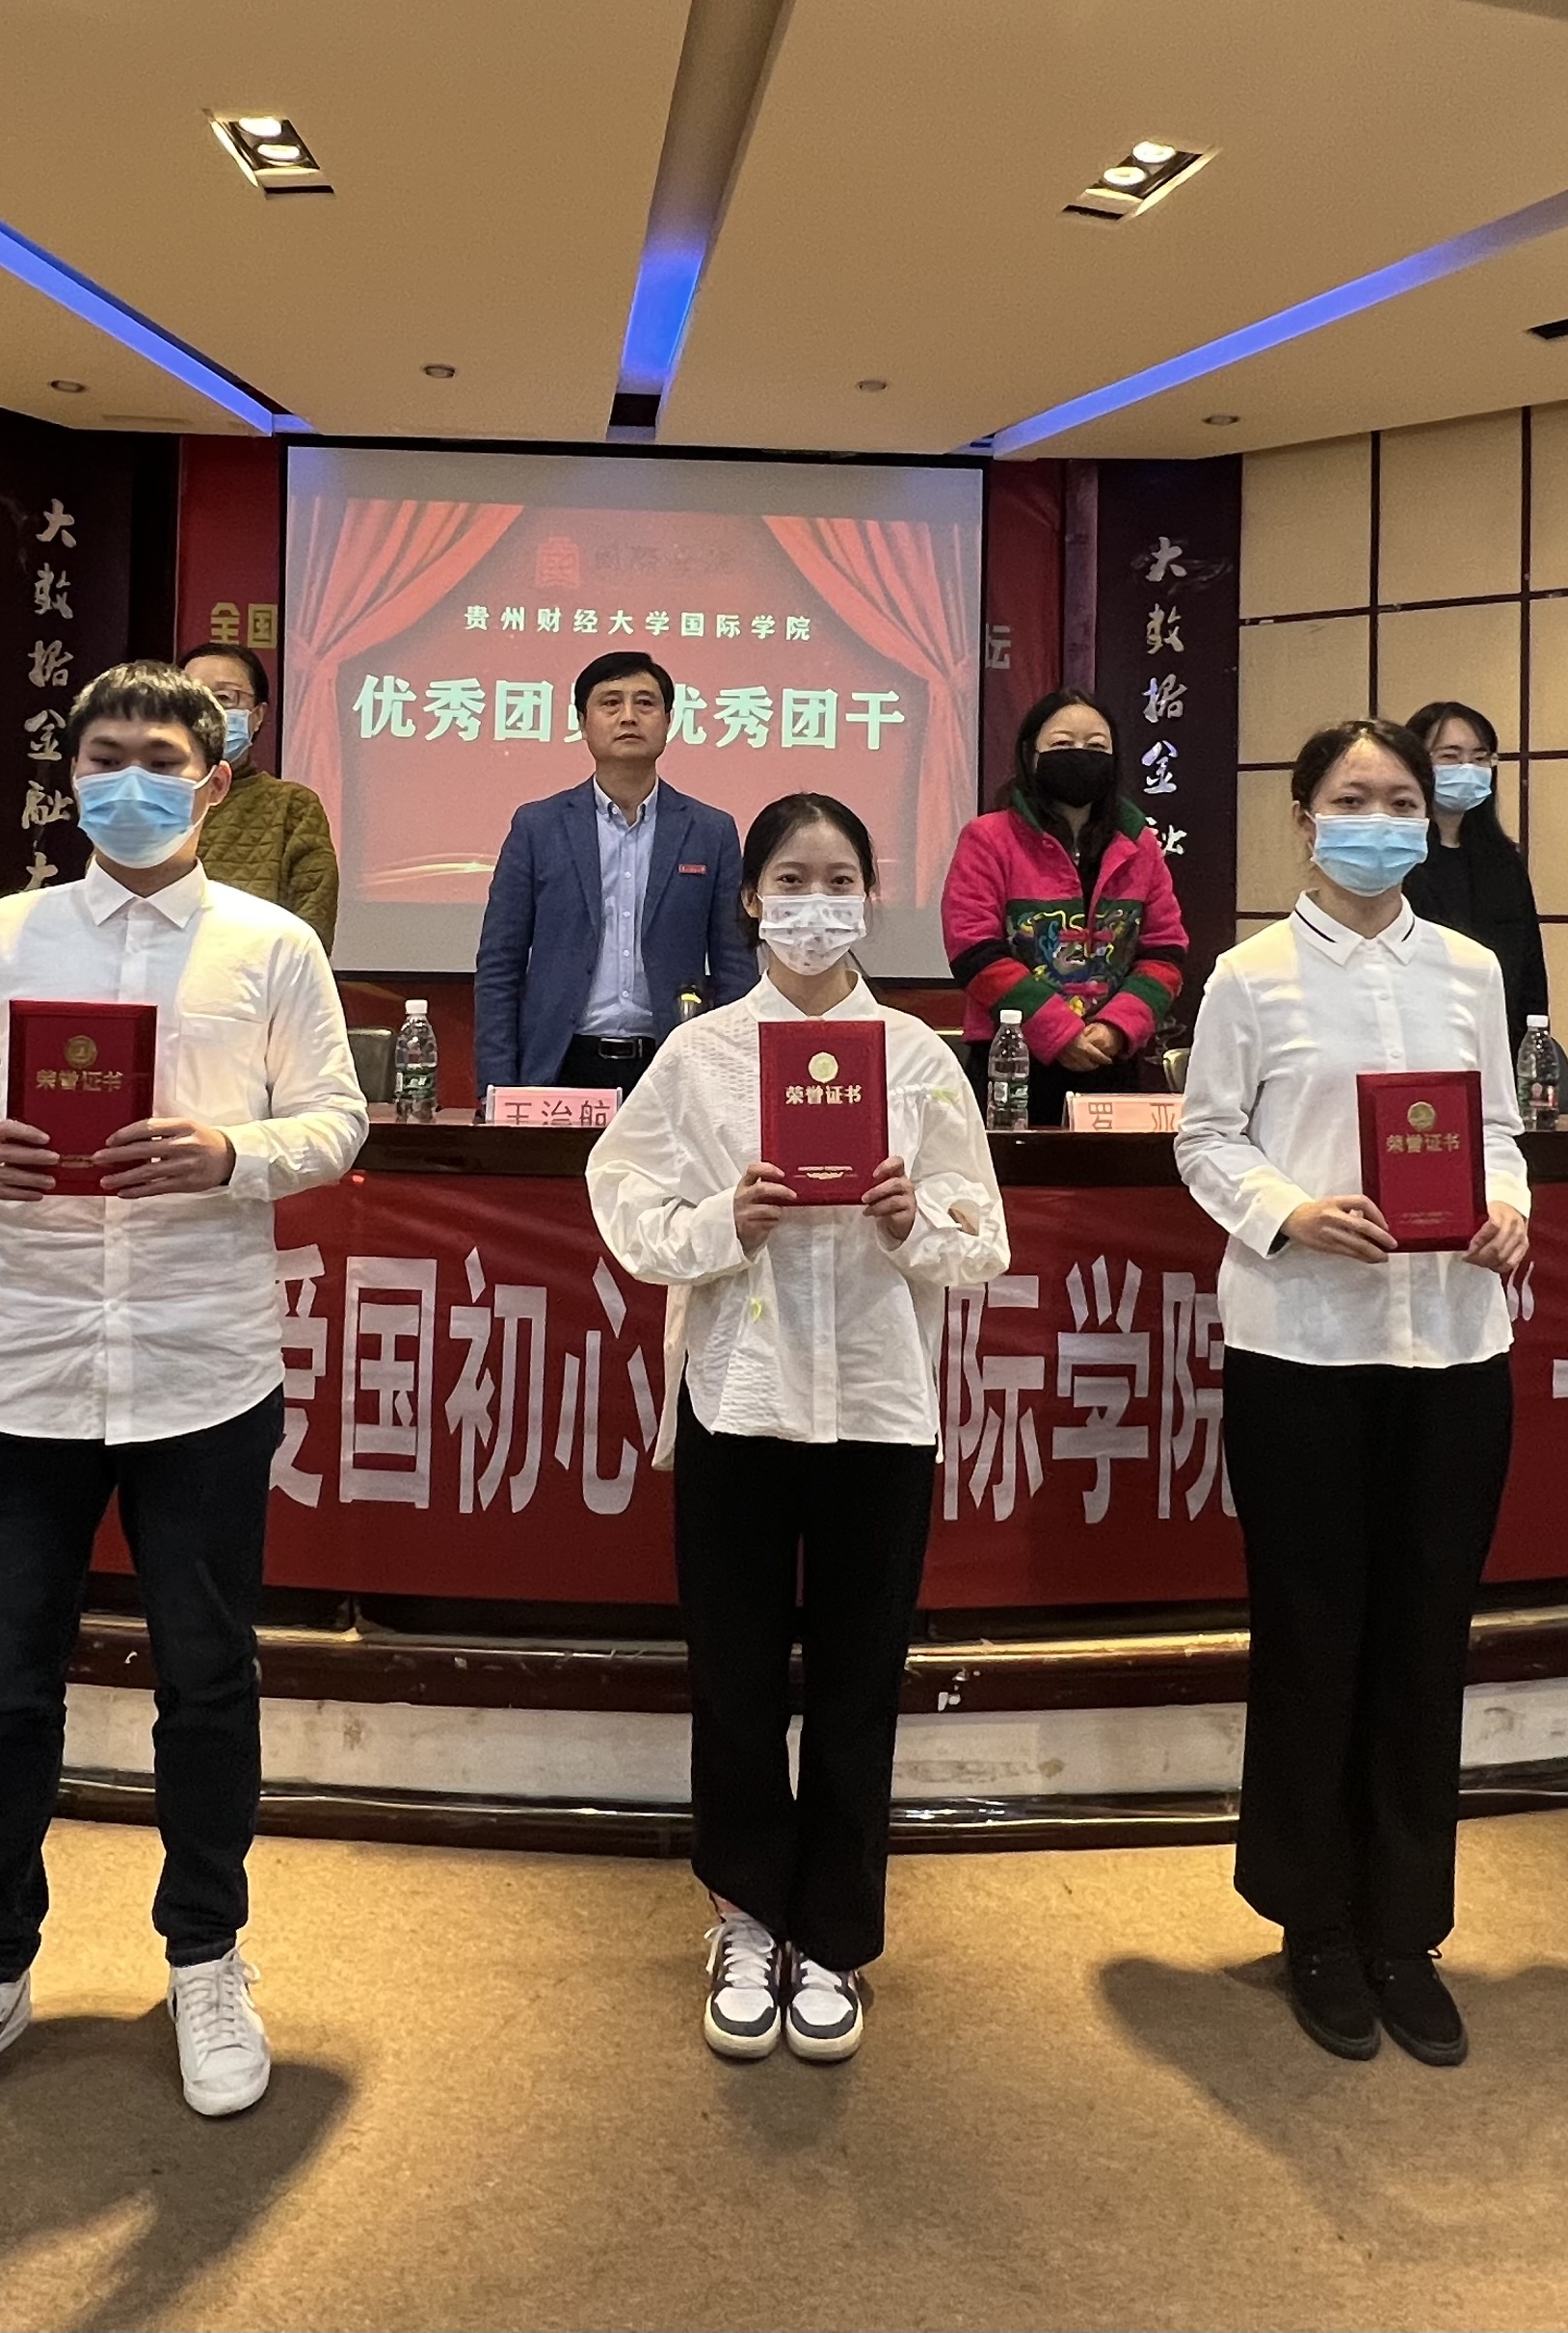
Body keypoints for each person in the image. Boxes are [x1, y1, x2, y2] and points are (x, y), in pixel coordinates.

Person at [0, 661, 368, 2158]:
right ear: (68, 776)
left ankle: (206, 1957)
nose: (127, 778)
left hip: (202, 1365)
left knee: (207, 1679)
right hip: (21, 1364)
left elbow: (337, 1118)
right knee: (1, 1682)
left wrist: (229, 1152)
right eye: (101, 755)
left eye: (158, 756)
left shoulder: (271, 944)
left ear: (212, 781)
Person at [588, 792, 1008, 2065]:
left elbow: (982, 1236)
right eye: (790, 879)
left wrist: (912, 1222)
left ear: (867, 900)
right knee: (732, 1675)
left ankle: (833, 1934)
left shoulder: (916, 1056)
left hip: (877, 1405)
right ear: (751, 901)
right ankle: (744, 1915)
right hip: (742, 1397)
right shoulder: (701, 1054)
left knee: (856, 1681)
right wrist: (724, 1221)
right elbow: (623, 1199)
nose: (815, 903)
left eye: (838, 880)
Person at [1174, 717, 1532, 2068]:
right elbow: (1206, 1138)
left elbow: (1497, 1127)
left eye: (1398, 801)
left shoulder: (1469, 968)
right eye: (1350, 798)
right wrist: (1289, 1212)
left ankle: (1405, 1928)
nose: (1376, 821)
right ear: (1302, 818)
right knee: (1312, 1631)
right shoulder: (1249, 976)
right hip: (1304, 1349)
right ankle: (1313, 1922)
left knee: (1427, 1635)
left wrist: (1509, 1206)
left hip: (1452, 1347)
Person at [474, 650, 755, 1095]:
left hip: (673, 1063)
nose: (628, 716)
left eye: (645, 703)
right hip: (561, 1064)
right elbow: (499, 964)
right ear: (583, 723)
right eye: (610, 703)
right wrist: (496, 1085)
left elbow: (735, 966)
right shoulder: (538, 827)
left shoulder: (711, 831)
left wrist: (735, 1080)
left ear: (668, 721)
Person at [939, 691, 1189, 1122]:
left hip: (1111, 1058)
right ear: (1030, 755)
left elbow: (1166, 953)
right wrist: (1057, 1031)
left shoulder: (1139, 843)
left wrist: (1116, 1027)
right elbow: (973, 949)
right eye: (1061, 744)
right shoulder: (988, 838)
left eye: (1096, 746)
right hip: (1011, 1060)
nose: (1080, 754)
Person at [1398, 700, 1547, 1058]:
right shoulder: (1400, 857)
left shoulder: (1504, 860)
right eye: (1449, 757)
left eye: (1480, 758)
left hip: (1500, 1045)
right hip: (1420, 1044)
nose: (1467, 769)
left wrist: (1532, 1050)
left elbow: (1530, 969)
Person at [180, 643, 340, 957]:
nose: (207, 711)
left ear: (257, 717)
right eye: (191, 698)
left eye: (224, 698)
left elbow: (311, 934)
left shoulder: (292, 806)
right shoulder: (145, 798)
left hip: (254, 981)